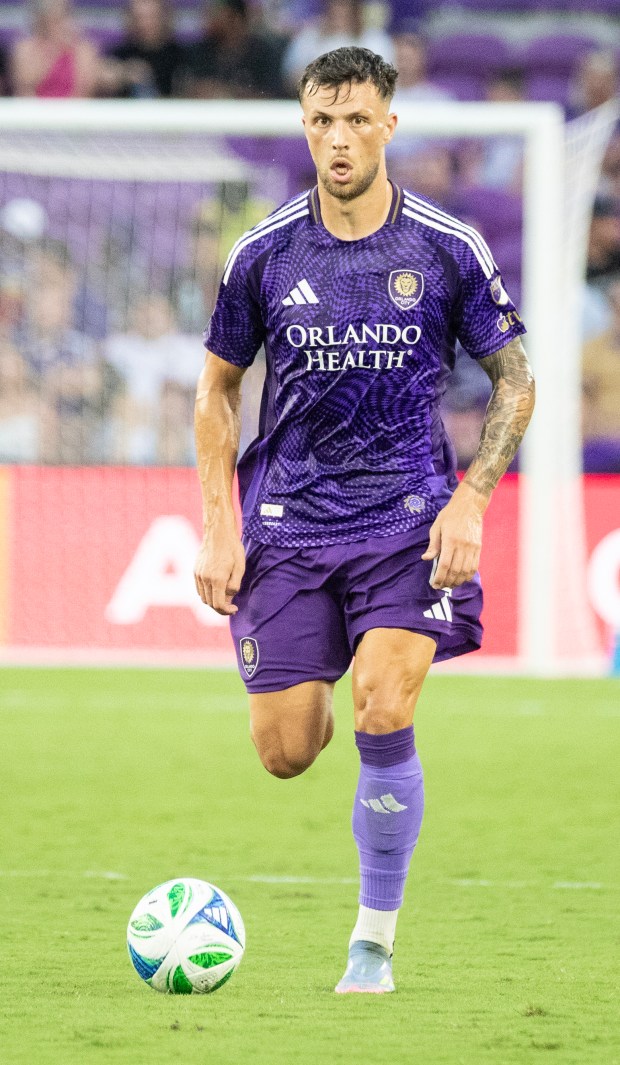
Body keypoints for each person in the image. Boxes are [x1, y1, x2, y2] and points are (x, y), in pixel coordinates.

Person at [193, 47, 535, 993]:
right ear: (304, 128)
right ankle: (326, 667)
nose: (337, 140)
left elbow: (516, 377)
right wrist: (219, 526)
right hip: (291, 526)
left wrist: (472, 497)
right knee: (288, 751)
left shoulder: (445, 246)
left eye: (355, 121)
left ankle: (371, 946)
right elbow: (216, 392)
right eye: (320, 123)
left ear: (390, 124)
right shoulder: (263, 253)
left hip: (409, 520)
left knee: (386, 701)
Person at [180, 0, 286, 100]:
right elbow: (188, 91)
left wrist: (229, 94)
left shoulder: (263, 53)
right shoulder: (200, 51)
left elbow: (273, 98)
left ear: (235, 18)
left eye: (218, 13)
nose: (211, 18)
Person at [10, 0, 100, 99]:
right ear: (42, 20)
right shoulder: (25, 48)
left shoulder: (84, 49)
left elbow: (86, 90)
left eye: (64, 15)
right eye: (54, 19)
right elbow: (25, 87)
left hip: (73, 109)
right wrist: (52, 52)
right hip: (35, 110)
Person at [99, 0, 184, 99]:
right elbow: (103, 78)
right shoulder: (119, 54)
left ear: (164, 18)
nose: (143, 23)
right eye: (138, 18)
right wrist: (124, 73)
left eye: (150, 17)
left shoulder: (181, 56)